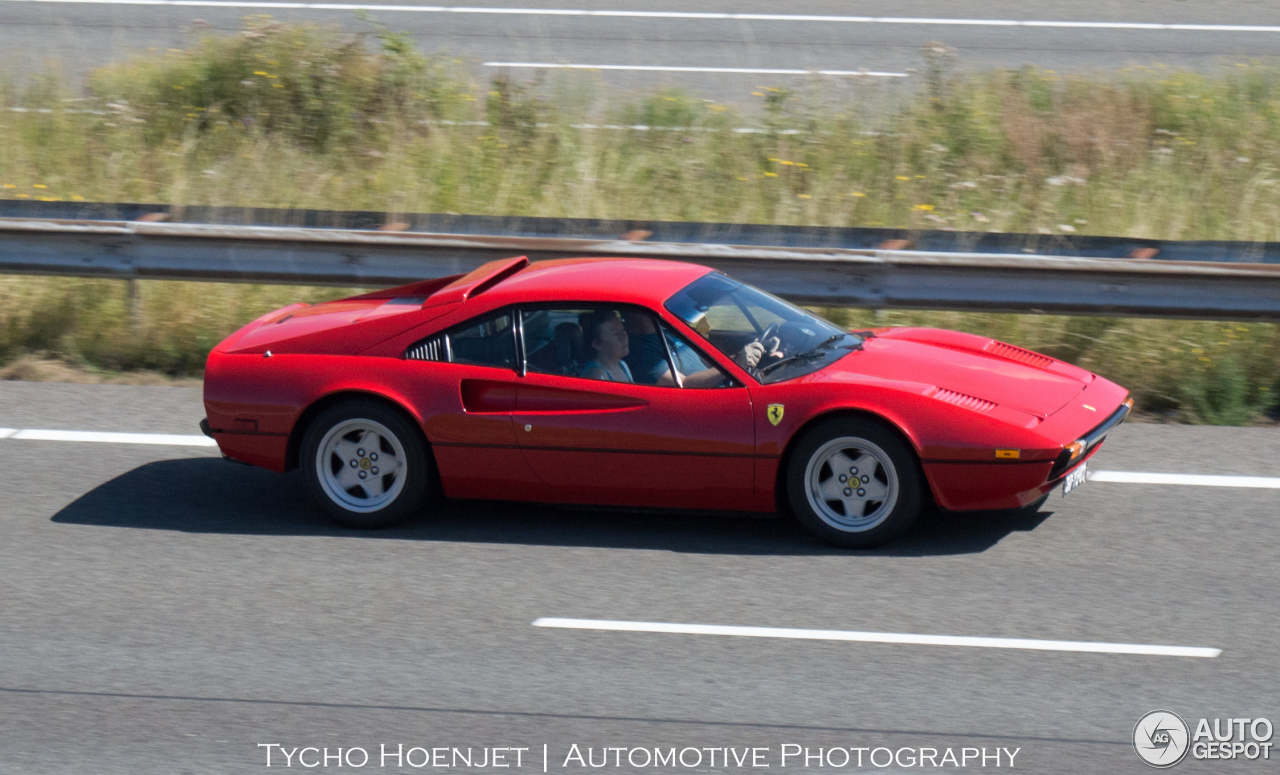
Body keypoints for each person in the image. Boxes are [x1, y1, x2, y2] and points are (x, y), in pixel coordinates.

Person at [623, 310, 777, 388]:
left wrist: (758, 354)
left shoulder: (666, 330)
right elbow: (682, 384)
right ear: (635, 316)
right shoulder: (640, 353)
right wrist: (736, 364)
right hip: (708, 400)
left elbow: (708, 360)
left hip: (726, 385)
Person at [579, 310, 634, 383]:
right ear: (597, 344)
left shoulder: (622, 365)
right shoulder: (596, 375)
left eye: (623, 330)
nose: (624, 336)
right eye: (615, 334)